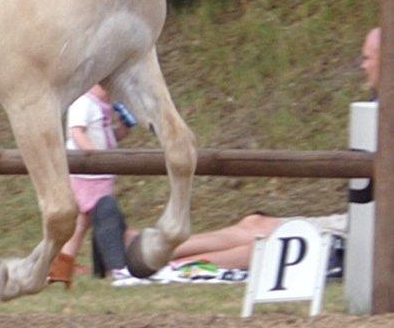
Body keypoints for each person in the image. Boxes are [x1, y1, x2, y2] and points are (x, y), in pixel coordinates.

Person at [134, 24, 382, 275]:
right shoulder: (373, 106)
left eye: (367, 58)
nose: (363, 66)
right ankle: (157, 248)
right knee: (255, 224)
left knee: (266, 243)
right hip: (356, 219)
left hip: (373, 229)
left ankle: (170, 268)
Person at [47, 84, 133, 287]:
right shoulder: (83, 101)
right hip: (87, 175)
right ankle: (116, 267)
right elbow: (77, 132)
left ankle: (64, 268)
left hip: (101, 175)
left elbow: (107, 135)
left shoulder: (104, 106)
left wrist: (122, 129)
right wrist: (96, 157)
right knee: (106, 217)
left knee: (83, 223)